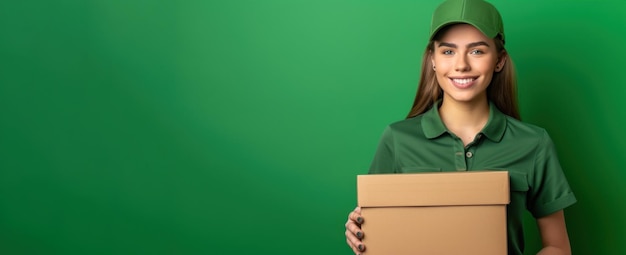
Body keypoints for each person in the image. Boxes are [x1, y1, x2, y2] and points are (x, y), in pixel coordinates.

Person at [344, 0, 577, 254]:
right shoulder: (397, 139)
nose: (461, 65)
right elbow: (374, 234)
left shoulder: (533, 143)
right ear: (432, 59)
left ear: (499, 60)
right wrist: (360, 230)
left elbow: (557, 246)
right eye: (448, 51)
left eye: (477, 51)